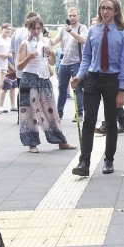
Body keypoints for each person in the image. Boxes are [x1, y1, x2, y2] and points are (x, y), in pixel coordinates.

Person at [71, 0, 124, 176]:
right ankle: (84, 162)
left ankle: (109, 160)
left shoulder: (123, 34)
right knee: (89, 120)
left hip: (112, 81)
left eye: (109, 8)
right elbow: (87, 58)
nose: (105, 11)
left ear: (116, 12)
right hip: (93, 79)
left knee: (111, 122)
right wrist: (80, 77)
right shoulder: (93, 31)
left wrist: (121, 90)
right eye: (102, 8)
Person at [16, 15, 76, 153]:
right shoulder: (24, 43)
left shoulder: (46, 42)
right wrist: (28, 57)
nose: (36, 31)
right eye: (33, 28)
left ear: (42, 29)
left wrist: (53, 55)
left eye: (38, 28)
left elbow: (52, 63)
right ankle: (32, 143)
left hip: (44, 79)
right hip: (29, 78)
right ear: (29, 29)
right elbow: (19, 66)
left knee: (51, 109)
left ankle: (61, 140)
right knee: (29, 112)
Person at [51, 6, 88, 120]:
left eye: (74, 15)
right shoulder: (63, 29)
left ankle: (79, 113)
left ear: (78, 16)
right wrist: (45, 36)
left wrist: (71, 31)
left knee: (77, 88)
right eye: (70, 16)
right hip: (64, 63)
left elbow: (84, 40)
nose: (72, 18)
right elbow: (53, 41)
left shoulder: (82, 27)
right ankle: (59, 113)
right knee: (62, 89)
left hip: (76, 62)